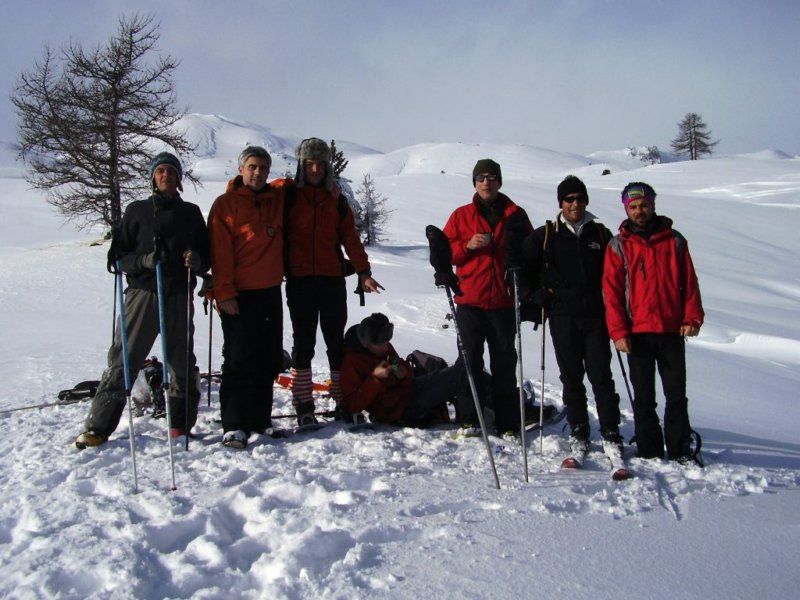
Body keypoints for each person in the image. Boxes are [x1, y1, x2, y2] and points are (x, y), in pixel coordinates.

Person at [76, 152, 209, 448]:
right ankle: (98, 426)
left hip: (177, 293)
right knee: (125, 359)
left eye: (172, 171)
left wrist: (198, 261)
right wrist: (146, 261)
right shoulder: (137, 211)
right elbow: (118, 260)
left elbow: (208, 256)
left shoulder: (191, 213)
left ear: (179, 179)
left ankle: (181, 425)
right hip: (143, 294)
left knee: (181, 363)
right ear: (152, 176)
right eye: (161, 171)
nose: (166, 175)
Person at [519, 175, 622, 456]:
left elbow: (618, 273)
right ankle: (579, 428)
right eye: (569, 199)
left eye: (579, 198)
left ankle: (611, 429)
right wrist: (531, 294)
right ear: (561, 203)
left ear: (586, 200)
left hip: (596, 316)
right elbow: (521, 265)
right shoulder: (547, 235)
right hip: (562, 316)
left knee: (601, 375)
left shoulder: (601, 234)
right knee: (571, 376)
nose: (575, 204)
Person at [602, 182, 704, 462]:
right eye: (633, 207)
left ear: (653, 205)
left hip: (671, 330)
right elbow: (611, 293)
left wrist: (692, 317)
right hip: (637, 335)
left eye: (644, 205)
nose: (639, 211)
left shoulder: (674, 240)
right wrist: (619, 332)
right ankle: (649, 449)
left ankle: (680, 446)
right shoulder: (618, 245)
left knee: (676, 395)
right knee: (644, 397)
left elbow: (689, 282)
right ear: (626, 209)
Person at [285, 138, 382, 424]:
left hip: (331, 280)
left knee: (335, 343)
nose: (315, 169)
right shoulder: (288, 197)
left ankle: (343, 399)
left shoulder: (337, 202)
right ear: (301, 166)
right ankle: (303, 404)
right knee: (303, 343)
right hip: (300, 280)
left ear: (327, 167)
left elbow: (351, 240)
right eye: (309, 164)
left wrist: (364, 272)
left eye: (320, 164)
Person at [442, 159, 533, 434]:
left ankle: (507, 421)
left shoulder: (516, 215)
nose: (486, 182)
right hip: (469, 300)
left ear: (499, 181)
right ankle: (470, 417)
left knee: (505, 363)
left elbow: (530, 254)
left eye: (491, 177)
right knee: (470, 362)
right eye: (480, 177)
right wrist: (466, 245)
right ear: (474, 182)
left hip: (504, 302)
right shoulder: (461, 215)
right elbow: (443, 255)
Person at [207, 146, 289, 449]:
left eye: (263, 168)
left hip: (270, 291)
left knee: (268, 358)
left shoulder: (274, 199)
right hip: (238, 295)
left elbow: (288, 185)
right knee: (239, 359)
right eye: (252, 167)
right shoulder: (226, 205)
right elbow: (219, 252)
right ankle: (234, 424)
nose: (257, 173)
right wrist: (224, 291)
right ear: (241, 169)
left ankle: (259, 419)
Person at [340, 313, 480, 425]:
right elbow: (353, 404)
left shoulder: (382, 345)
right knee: (459, 376)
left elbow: (398, 365)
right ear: (366, 343)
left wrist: (402, 371)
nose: (386, 346)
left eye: (387, 342)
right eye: (381, 344)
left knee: (460, 371)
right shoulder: (351, 362)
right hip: (397, 410)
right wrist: (375, 378)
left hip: (409, 391)